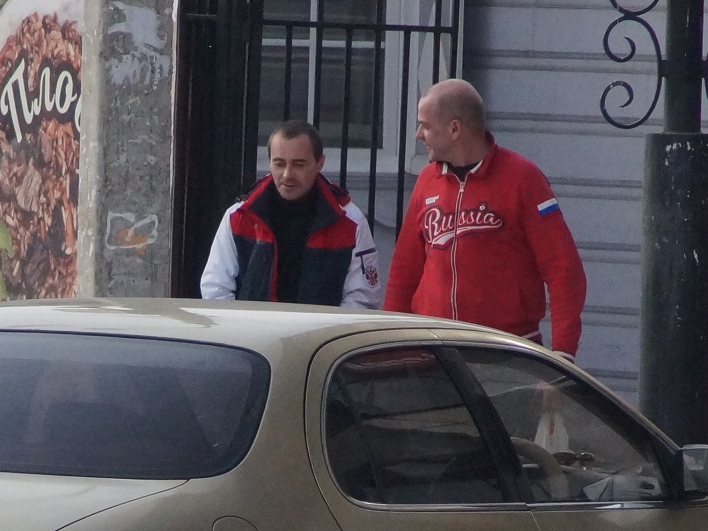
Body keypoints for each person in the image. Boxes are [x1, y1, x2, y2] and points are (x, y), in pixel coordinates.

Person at [384, 79, 587, 359]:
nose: (419, 134)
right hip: (434, 352)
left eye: (426, 125)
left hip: (507, 352)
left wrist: (563, 352)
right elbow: (403, 272)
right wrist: (391, 347)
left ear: (455, 128)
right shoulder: (426, 182)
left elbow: (563, 269)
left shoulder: (522, 178)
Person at [201, 120, 382, 309]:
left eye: (299, 164)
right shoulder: (238, 216)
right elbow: (216, 288)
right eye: (279, 164)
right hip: (253, 336)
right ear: (269, 161)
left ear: (320, 163)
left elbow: (363, 297)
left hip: (323, 337)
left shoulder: (349, 221)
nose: (287, 174)